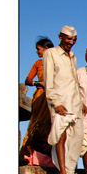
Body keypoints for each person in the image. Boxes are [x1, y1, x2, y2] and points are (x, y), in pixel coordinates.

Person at [43, 26, 86, 174]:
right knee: (61, 136)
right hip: (60, 101)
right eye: (68, 39)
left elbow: (73, 81)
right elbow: (48, 81)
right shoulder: (51, 54)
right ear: (60, 37)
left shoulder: (73, 56)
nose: (71, 42)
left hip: (75, 102)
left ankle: (69, 172)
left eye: (74, 39)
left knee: (77, 137)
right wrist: (55, 103)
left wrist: (81, 102)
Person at [21, 37, 56, 167]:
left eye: (38, 49)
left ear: (46, 49)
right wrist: (39, 83)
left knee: (52, 126)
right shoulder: (38, 63)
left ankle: (50, 158)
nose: (37, 52)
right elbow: (27, 80)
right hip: (41, 96)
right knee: (35, 124)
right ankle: (27, 154)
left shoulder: (58, 63)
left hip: (55, 97)